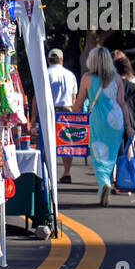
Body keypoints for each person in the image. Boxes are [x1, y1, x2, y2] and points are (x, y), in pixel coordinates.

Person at [72, 46, 125, 206]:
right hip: (116, 120)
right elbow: (123, 103)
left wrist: (72, 116)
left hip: (98, 119)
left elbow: (79, 103)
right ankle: (107, 180)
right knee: (111, 155)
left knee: (98, 154)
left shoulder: (87, 78)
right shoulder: (116, 78)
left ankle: (104, 183)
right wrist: (129, 126)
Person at [112, 54, 135, 194]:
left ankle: (115, 181)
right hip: (132, 123)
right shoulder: (133, 86)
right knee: (128, 153)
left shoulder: (113, 85)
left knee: (116, 154)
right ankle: (127, 181)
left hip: (116, 123)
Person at [46, 48, 79, 184]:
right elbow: (74, 98)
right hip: (67, 110)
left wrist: (34, 117)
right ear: (62, 59)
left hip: (50, 110)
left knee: (49, 142)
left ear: (48, 60)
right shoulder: (70, 75)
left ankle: (49, 173)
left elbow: (38, 97)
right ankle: (66, 172)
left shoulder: (46, 73)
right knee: (66, 142)